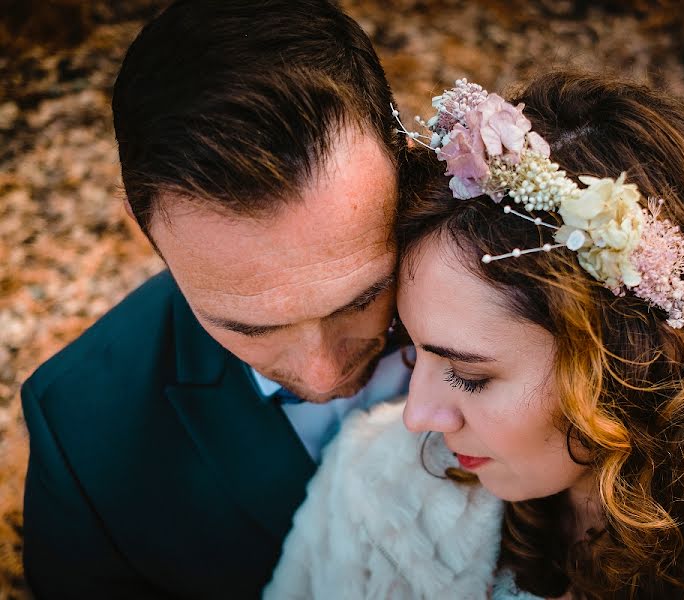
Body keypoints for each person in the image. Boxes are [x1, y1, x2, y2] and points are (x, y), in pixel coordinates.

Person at [265, 72, 684, 599]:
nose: (418, 415)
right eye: (414, 348)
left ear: (629, 362)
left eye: (471, 375)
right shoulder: (375, 494)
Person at [20, 1, 412, 597]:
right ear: (144, 230)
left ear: (405, 165)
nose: (323, 372)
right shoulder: (83, 434)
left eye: (361, 299)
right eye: (250, 328)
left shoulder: (529, 275)